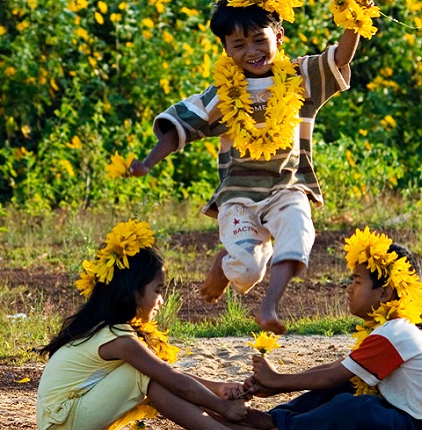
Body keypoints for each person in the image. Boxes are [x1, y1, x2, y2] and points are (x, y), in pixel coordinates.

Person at [129, 0, 372, 335]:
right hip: (239, 196)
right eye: (239, 45)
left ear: (280, 35)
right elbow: (180, 128)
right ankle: (226, 261)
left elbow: (341, 58)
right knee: (247, 271)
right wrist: (148, 162)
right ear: (226, 49)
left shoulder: (301, 78)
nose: (252, 51)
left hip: (288, 185)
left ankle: (269, 306)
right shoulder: (223, 93)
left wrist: (356, 18)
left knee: (300, 232)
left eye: (260, 39)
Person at [36, 219, 273, 430]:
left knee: (151, 374)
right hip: (62, 426)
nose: (161, 300)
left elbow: (170, 377)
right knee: (143, 374)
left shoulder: (110, 329)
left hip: (66, 420)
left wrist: (218, 388)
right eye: (158, 290)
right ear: (132, 291)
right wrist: (222, 406)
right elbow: (172, 379)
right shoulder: (118, 339)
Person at [239, 227, 422, 430]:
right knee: (347, 385)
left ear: (385, 294)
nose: (349, 288)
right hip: (411, 422)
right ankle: (272, 419)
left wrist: (278, 380)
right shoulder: (388, 331)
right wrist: (276, 383)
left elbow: (330, 376)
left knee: (358, 408)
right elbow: (338, 369)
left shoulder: (394, 334)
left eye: (357, 282)